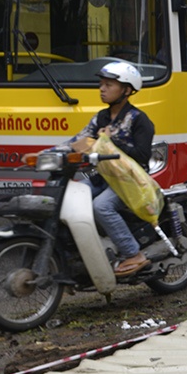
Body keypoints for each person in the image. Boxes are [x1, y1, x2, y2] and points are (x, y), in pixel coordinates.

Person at [70, 61, 156, 277]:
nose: (102, 89)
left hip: (131, 180)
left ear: (126, 90)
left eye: (109, 85)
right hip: (103, 176)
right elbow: (79, 140)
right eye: (101, 84)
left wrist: (111, 141)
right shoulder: (101, 117)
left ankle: (133, 253)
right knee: (70, 197)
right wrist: (46, 154)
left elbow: (142, 155)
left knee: (101, 206)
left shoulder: (139, 120)